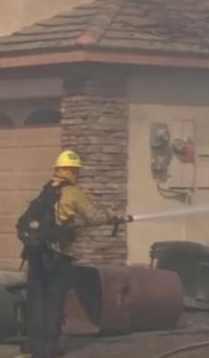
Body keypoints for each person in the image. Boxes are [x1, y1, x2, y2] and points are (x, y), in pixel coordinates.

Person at [19, 149, 129, 358]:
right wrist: (112, 216)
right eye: (76, 170)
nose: (77, 174)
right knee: (55, 300)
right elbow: (93, 216)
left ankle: (33, 345)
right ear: (69, 170)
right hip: (57, 255)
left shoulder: (46, 190)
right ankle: (48, 349)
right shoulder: (71, 192)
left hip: (36, 253)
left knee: (37, 298)